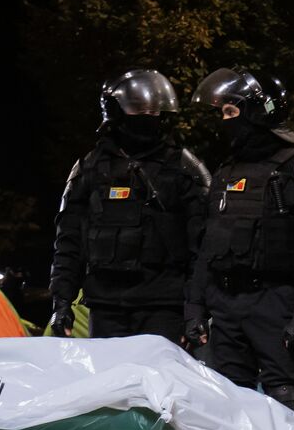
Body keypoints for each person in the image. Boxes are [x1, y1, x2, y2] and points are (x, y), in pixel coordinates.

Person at [186, 67, 294, 416]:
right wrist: (194, 307)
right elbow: (208, 246)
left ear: (256, 112)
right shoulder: (225, 171)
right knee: (228, 402)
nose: (223, 120)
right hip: (226, 303)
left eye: (229, 111)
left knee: (284, 400)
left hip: (275, 303)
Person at [50, 69, 209, 341]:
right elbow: (68, 241)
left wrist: (195, 309)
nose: (148, 120)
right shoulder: (89, 168)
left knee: (161, 383)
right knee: (111, 383)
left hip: (163, 307)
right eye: (140, 113)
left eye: (153, 114)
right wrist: (61, 301)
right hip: (105, 307)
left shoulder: (184, 167)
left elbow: (203, 247)